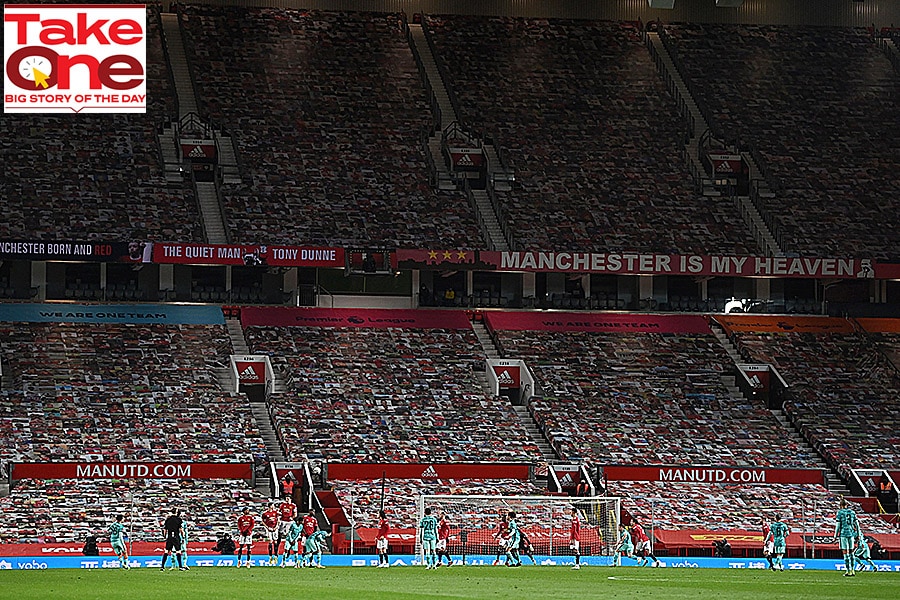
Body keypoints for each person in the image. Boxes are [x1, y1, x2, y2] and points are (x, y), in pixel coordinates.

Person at [833, 498, 860, 577]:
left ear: (840, 505)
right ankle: (853, 570)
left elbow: (838, 526)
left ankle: (848, 571)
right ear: (847, 505)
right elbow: (857, 525)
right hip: (851, 534)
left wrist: (835, 536)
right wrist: (858, 534)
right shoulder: (852, 512)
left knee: (845, 553)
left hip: (843, 534)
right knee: (851, 552)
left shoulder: (840, 513)